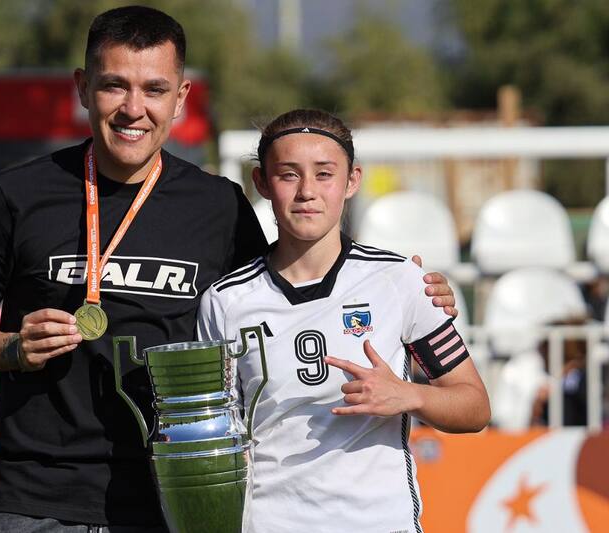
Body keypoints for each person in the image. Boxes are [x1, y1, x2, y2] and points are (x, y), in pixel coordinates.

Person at [0, 7, 460, 532]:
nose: (133, 109)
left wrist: (407, 288)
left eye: (154, 89)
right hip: (36, 498)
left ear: (181, 98)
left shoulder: (219, 207)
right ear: (82, 86)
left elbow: (286, 291)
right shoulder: (16, 195)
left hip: (176, 497)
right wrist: (12, 349)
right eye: (114, 86)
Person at [197, 109, 490, 533]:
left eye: (324, 174)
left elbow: (475, 406)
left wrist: (409, 395)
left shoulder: (399, 280)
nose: (307, 192)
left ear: (352, 181)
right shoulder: (224, 302)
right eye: (288, 174)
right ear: (261, 183)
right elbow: (218, 439)